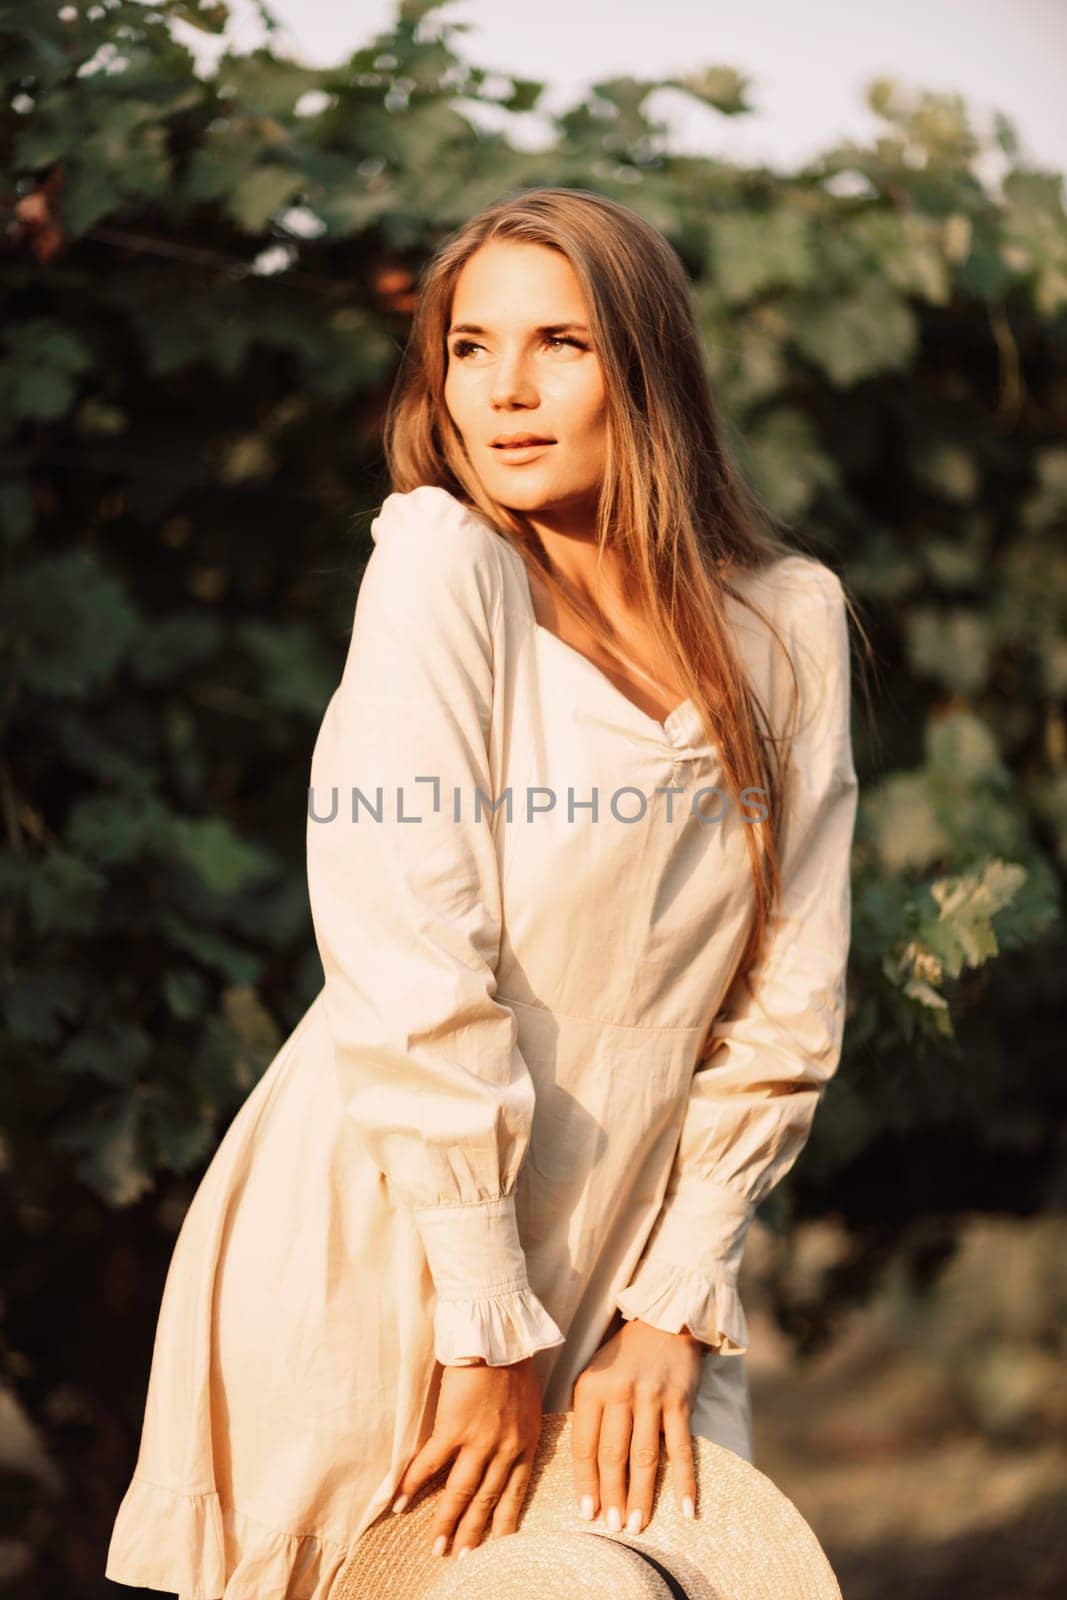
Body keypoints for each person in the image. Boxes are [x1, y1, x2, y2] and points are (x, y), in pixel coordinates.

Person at [104, 186, 860, 1599]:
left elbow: (787, 1003)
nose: (503, 392)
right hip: (397, 1232)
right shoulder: (445, 570)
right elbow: (410, 956)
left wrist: (676, 1306)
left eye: (560, 343)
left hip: (639, 1252)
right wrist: (485, 1316)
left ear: (646, 371)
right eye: (467, 347)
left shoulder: (788, 623)